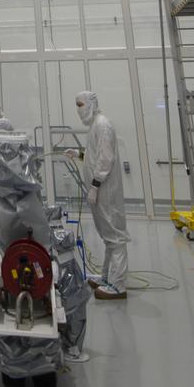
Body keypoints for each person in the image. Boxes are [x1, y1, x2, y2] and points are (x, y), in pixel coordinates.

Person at [66, 91, 130, 300]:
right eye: (77, 105)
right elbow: (95, 156)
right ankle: (107, 278)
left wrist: (94, 185)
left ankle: (119, 286)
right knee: (108, 237)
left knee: (115, 237)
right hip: (99, 190)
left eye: (81, 104)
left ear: (92, 103)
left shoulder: (103, 124)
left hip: (105, 191)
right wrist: (80, 154)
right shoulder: (95, 125)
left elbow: (106, 159)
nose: (79, 109)